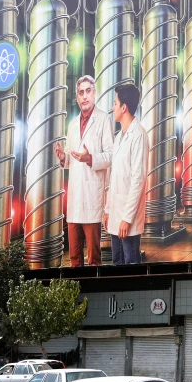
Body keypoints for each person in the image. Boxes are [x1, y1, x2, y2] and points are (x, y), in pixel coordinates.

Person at [53, 75, 114, 267]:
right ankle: (75, 294)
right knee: (74, 257)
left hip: (92, 196)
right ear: (77, 97)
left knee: (94, 258)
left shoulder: (104, 119)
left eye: (88, 91)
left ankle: (95, 294)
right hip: (75, 199)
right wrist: (64, 158)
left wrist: (91, 158)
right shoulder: (72, 125)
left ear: (94, 94)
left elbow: (111, 155)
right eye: (81, 92)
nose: (85, 96)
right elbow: (73, 158)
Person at [105, 84, 148, 266]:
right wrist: (107, 210)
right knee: (117, 262)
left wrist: (127, 218)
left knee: (130, 263)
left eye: (115, 103)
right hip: (116, 213)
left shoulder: (138, 135)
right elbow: (114, 178)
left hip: (127, 218)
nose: (113, 107)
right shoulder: (120, 136)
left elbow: (138, 180)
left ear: (124, 107)